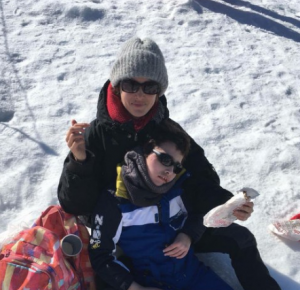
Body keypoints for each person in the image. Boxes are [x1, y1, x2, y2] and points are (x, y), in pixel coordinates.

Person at [58, 37, 281, 290]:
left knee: (240, 239)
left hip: (172, 225)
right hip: (121, 234)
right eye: (131, 84)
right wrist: (79, 162)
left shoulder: (169, 132)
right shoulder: (95, 135)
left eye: (150, 87)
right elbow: (75, 205)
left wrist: (227, 206)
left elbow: (200, 181)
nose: (140, 95)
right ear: (118, 87)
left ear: (160, 91)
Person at [89, 119, 233, 290]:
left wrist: (188, 235)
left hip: (194, 275)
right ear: (146, 150)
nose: (170, 171)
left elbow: (201, 212)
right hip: (149, 282)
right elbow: (100, 256)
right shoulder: (115, 201)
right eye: (165, 159)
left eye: (177, 167)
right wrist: (135, 288)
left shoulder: (180, 186)